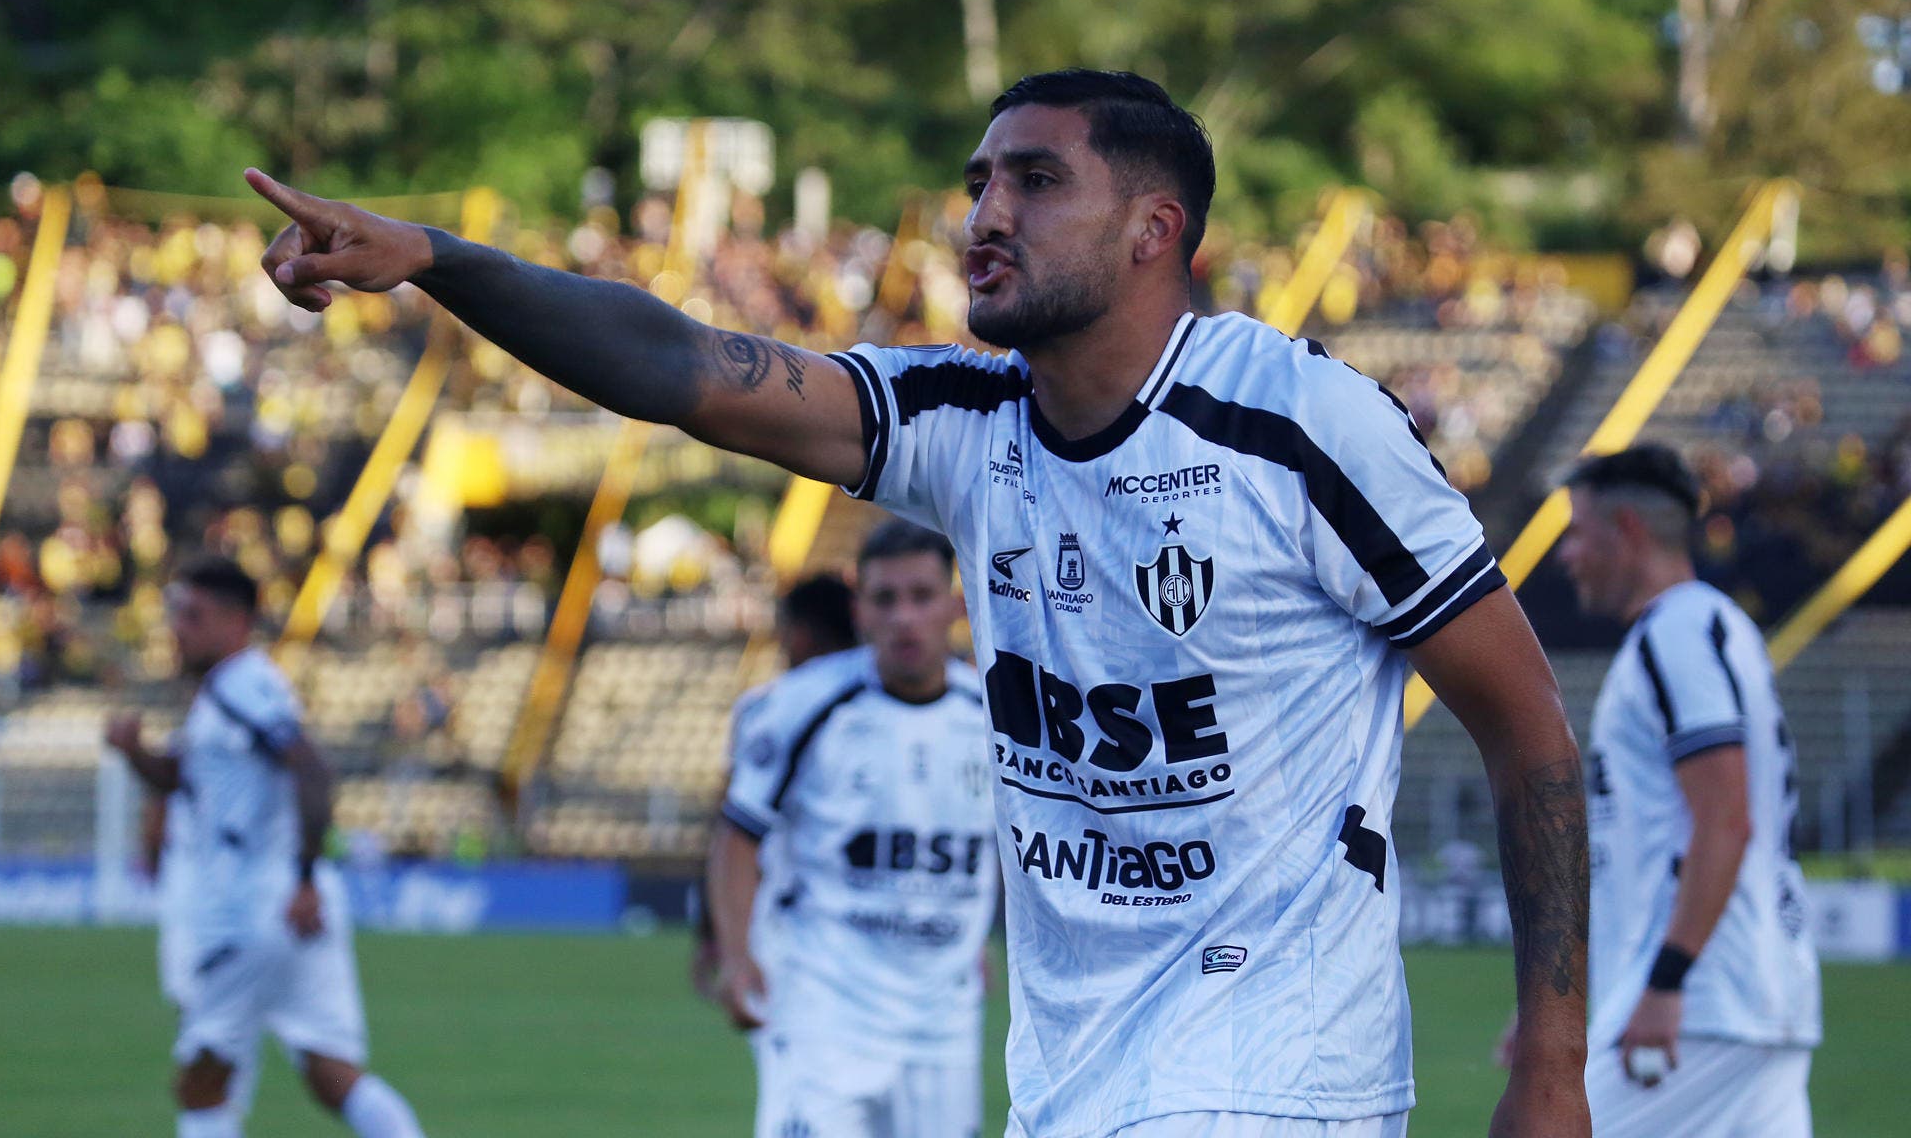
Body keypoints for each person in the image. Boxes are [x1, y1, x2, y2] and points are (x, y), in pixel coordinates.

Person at [245, 66, 1590, 1136]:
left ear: (1152, 230)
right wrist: (435, 259)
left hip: (1275, 1065)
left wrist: (1549, 1060)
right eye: (978, 181)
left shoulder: (1301, 427)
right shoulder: (962, 423)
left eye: (1034, 180)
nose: (983, 214)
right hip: (1071, 1076)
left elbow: (1528, 729)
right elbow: (679, 364)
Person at [104, 558, 426, 1138]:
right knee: (332, 1075)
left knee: (203, 1078)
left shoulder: (245, 686)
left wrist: (302, 876)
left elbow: (312, 770)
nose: (178, 628)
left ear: (236, 623)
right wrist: (134, 754)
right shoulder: (224, 695)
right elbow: (181, 779)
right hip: (293, 905)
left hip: (252, 905)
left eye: (193, 616)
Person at [1554, 445, 1819, 1137]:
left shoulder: (1675, 636)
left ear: (1629, 529)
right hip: (1750, 996)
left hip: (1704, 1002)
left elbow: (1726, 819)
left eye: (1578, 532)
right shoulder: (1713, 628)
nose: (1566, 555)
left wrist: (1669, 982)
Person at [707, 520, 994, 1138]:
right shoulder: (800, 707)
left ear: (955, 603)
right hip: (823, 1008)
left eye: (921, 596)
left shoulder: (996, 718)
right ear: (859, 608)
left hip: (942, 1018)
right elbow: (737, 835)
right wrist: (735, 954)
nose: (904, 618)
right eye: (885, 599)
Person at [691, 571, 858, 1000]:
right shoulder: (904, 704)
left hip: (790, 923)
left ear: (799, 634)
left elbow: (729, 822)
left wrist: (717, 933)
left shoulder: (764, 708)